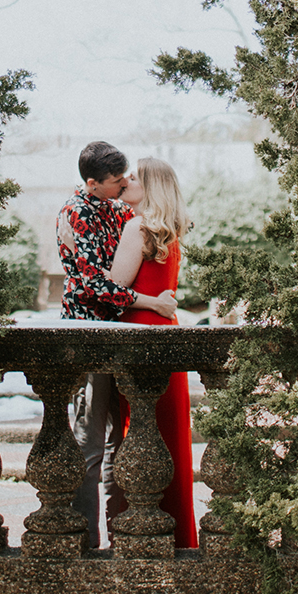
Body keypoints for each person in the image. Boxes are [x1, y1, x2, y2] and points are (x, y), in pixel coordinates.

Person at [57, 141, 177, 549]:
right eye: (117, 180)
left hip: (123, 334)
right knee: (89, 442)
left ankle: (117, 534)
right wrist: (151, 302)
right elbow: (92, 287)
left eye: (128, 176)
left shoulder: (118, 208)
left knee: (119, 443)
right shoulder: (73, 215)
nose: (126, 182)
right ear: (93, 184)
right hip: (91, 336)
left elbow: (156, 226)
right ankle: (85, 541)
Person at [107, 156, 197, 547]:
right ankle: (177, 532)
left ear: (150, 187)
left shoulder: (137, 228)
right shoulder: (169, 231)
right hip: (167, 336)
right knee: (169, 436)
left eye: (134, 178)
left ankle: (142, 532)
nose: (126, 182)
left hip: (140, 338)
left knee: (139, 433)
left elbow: (114, 292)